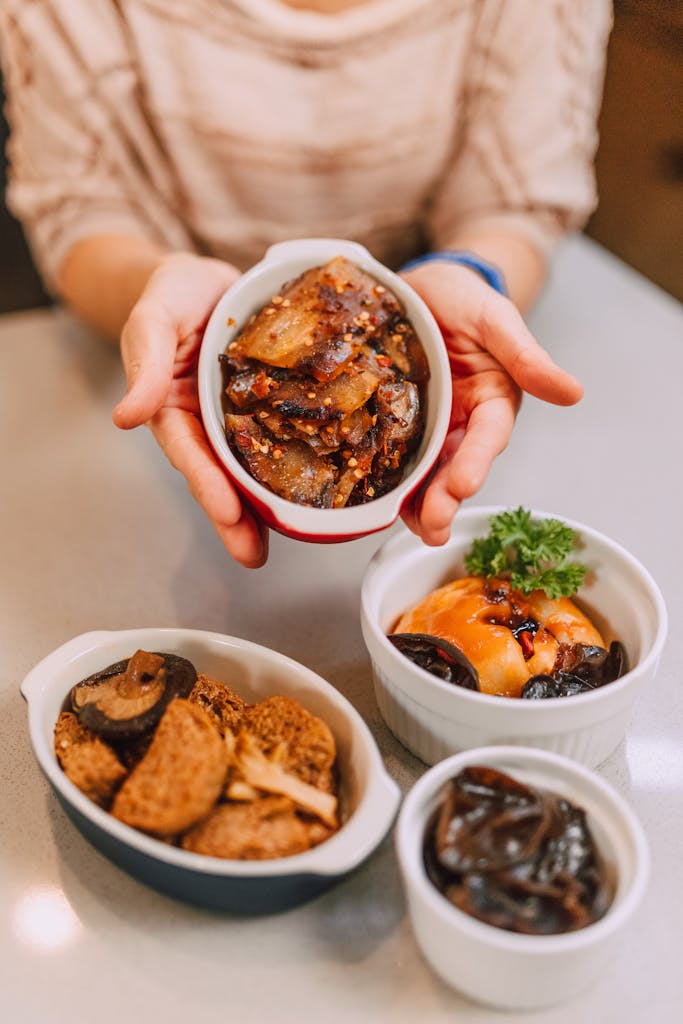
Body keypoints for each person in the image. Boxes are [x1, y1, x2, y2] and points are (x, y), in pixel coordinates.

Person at [0, 0, 611, 567]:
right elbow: (80, 208)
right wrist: (156, 288)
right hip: (168, 366)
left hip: (423, 317)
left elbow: (517, 204)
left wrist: (472, 274)